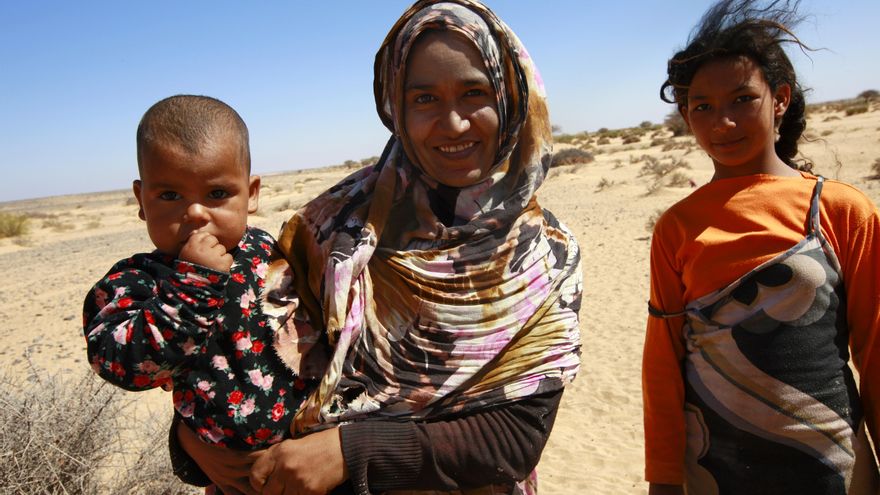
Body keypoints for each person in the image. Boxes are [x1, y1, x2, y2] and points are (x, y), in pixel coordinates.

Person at [173, 1, 583, 494]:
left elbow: (513, 441)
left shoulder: (547, 259)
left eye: (474, 92)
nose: (453, 124)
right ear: (396, 109)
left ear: (510, 96)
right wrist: (191, 441)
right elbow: (242, 354)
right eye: (424, 98)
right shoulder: (330, 227)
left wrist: (349, 452)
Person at [642, 1, 880, 494]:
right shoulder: (677, 227)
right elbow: (663, 364)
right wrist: (663, 480)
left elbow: (876, 350)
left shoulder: (841, 209)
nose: (723, 123)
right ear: (686, 116)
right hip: (714, 474)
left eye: (742, 99)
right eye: (702, 107)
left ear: (780, 99)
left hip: (834, 472)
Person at [83, 95, 324, 471]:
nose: (195, 212)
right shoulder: (138, 280)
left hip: (317, 454)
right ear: (141, 200)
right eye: (169, 195)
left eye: (217, 194)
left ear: (251, 194)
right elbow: (117, 364)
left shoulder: (274, 252)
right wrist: (191, 286)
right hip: (230, 472)